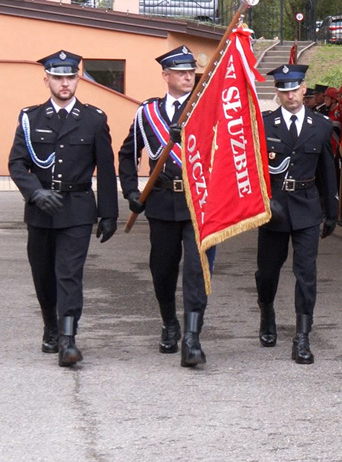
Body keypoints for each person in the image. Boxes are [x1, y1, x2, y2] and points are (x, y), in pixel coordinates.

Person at [8, 51, 118, 366]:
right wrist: (35, 193)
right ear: (47, 81)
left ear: (78, 79)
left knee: (68, 273)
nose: (65, 83)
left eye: (70, 77)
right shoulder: (30, 118)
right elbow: (17, 163)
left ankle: (69, 340)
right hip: (42, 210)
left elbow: (106, 169)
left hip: (78, 209)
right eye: (58, 77)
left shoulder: (95, 118)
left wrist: (108, 213)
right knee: (43, 274)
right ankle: (51, 327)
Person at [118, 45, 212, 368]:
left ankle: (192, 337)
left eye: (191, 72)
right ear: (165, 75)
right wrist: (130, 190)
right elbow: (128, 153)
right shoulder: (147, 114)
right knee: (162, 268)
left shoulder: (204, 109)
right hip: (160, 202)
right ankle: (169, 321)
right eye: (182, 72)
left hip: (197, 201)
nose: (189, 76)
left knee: (196, 270)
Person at [256, 64, 339, 364]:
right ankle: (266, 310)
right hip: (275, 206)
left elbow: (327, 171)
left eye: (294, 88)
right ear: (277, 93)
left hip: (306, 206)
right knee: (268, 271)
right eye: (283, 90)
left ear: (304, 88)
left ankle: (302, 336)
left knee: (306, 274)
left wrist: (332, 211)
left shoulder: (321, 126)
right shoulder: (265, 125)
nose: (289, 95)